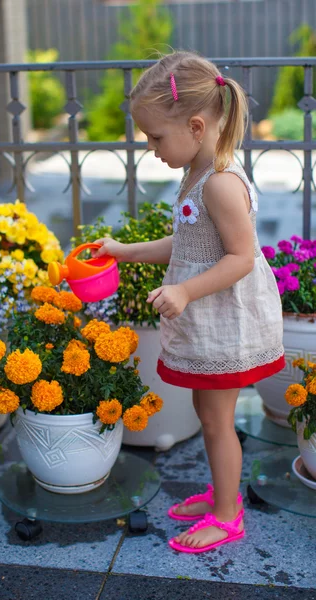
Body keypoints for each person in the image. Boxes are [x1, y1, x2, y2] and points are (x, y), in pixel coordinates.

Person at [93, 51, 284, 554]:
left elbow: (242, 258)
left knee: (219, 420)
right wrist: (123, 252)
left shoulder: (220, 184)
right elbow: (188, 243)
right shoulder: (198, 176)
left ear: (196, 126)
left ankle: (227, 515)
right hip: (209, 320)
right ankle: (222, 496)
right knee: (208, 414)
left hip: (226, 323)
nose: (150, 147)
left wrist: (183, 290)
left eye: (155, 137)